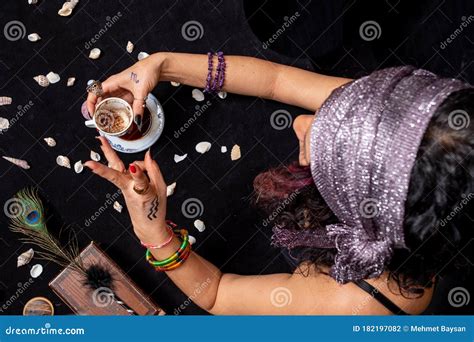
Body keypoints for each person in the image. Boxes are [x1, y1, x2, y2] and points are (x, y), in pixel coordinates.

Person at [85, 53, 473, 315]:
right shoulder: (406, 126)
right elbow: (277, 80)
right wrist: (160, 64)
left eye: (324, 152)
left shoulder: (362, 302)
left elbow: (218, 294)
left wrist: (153, 231)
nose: (301, 122)